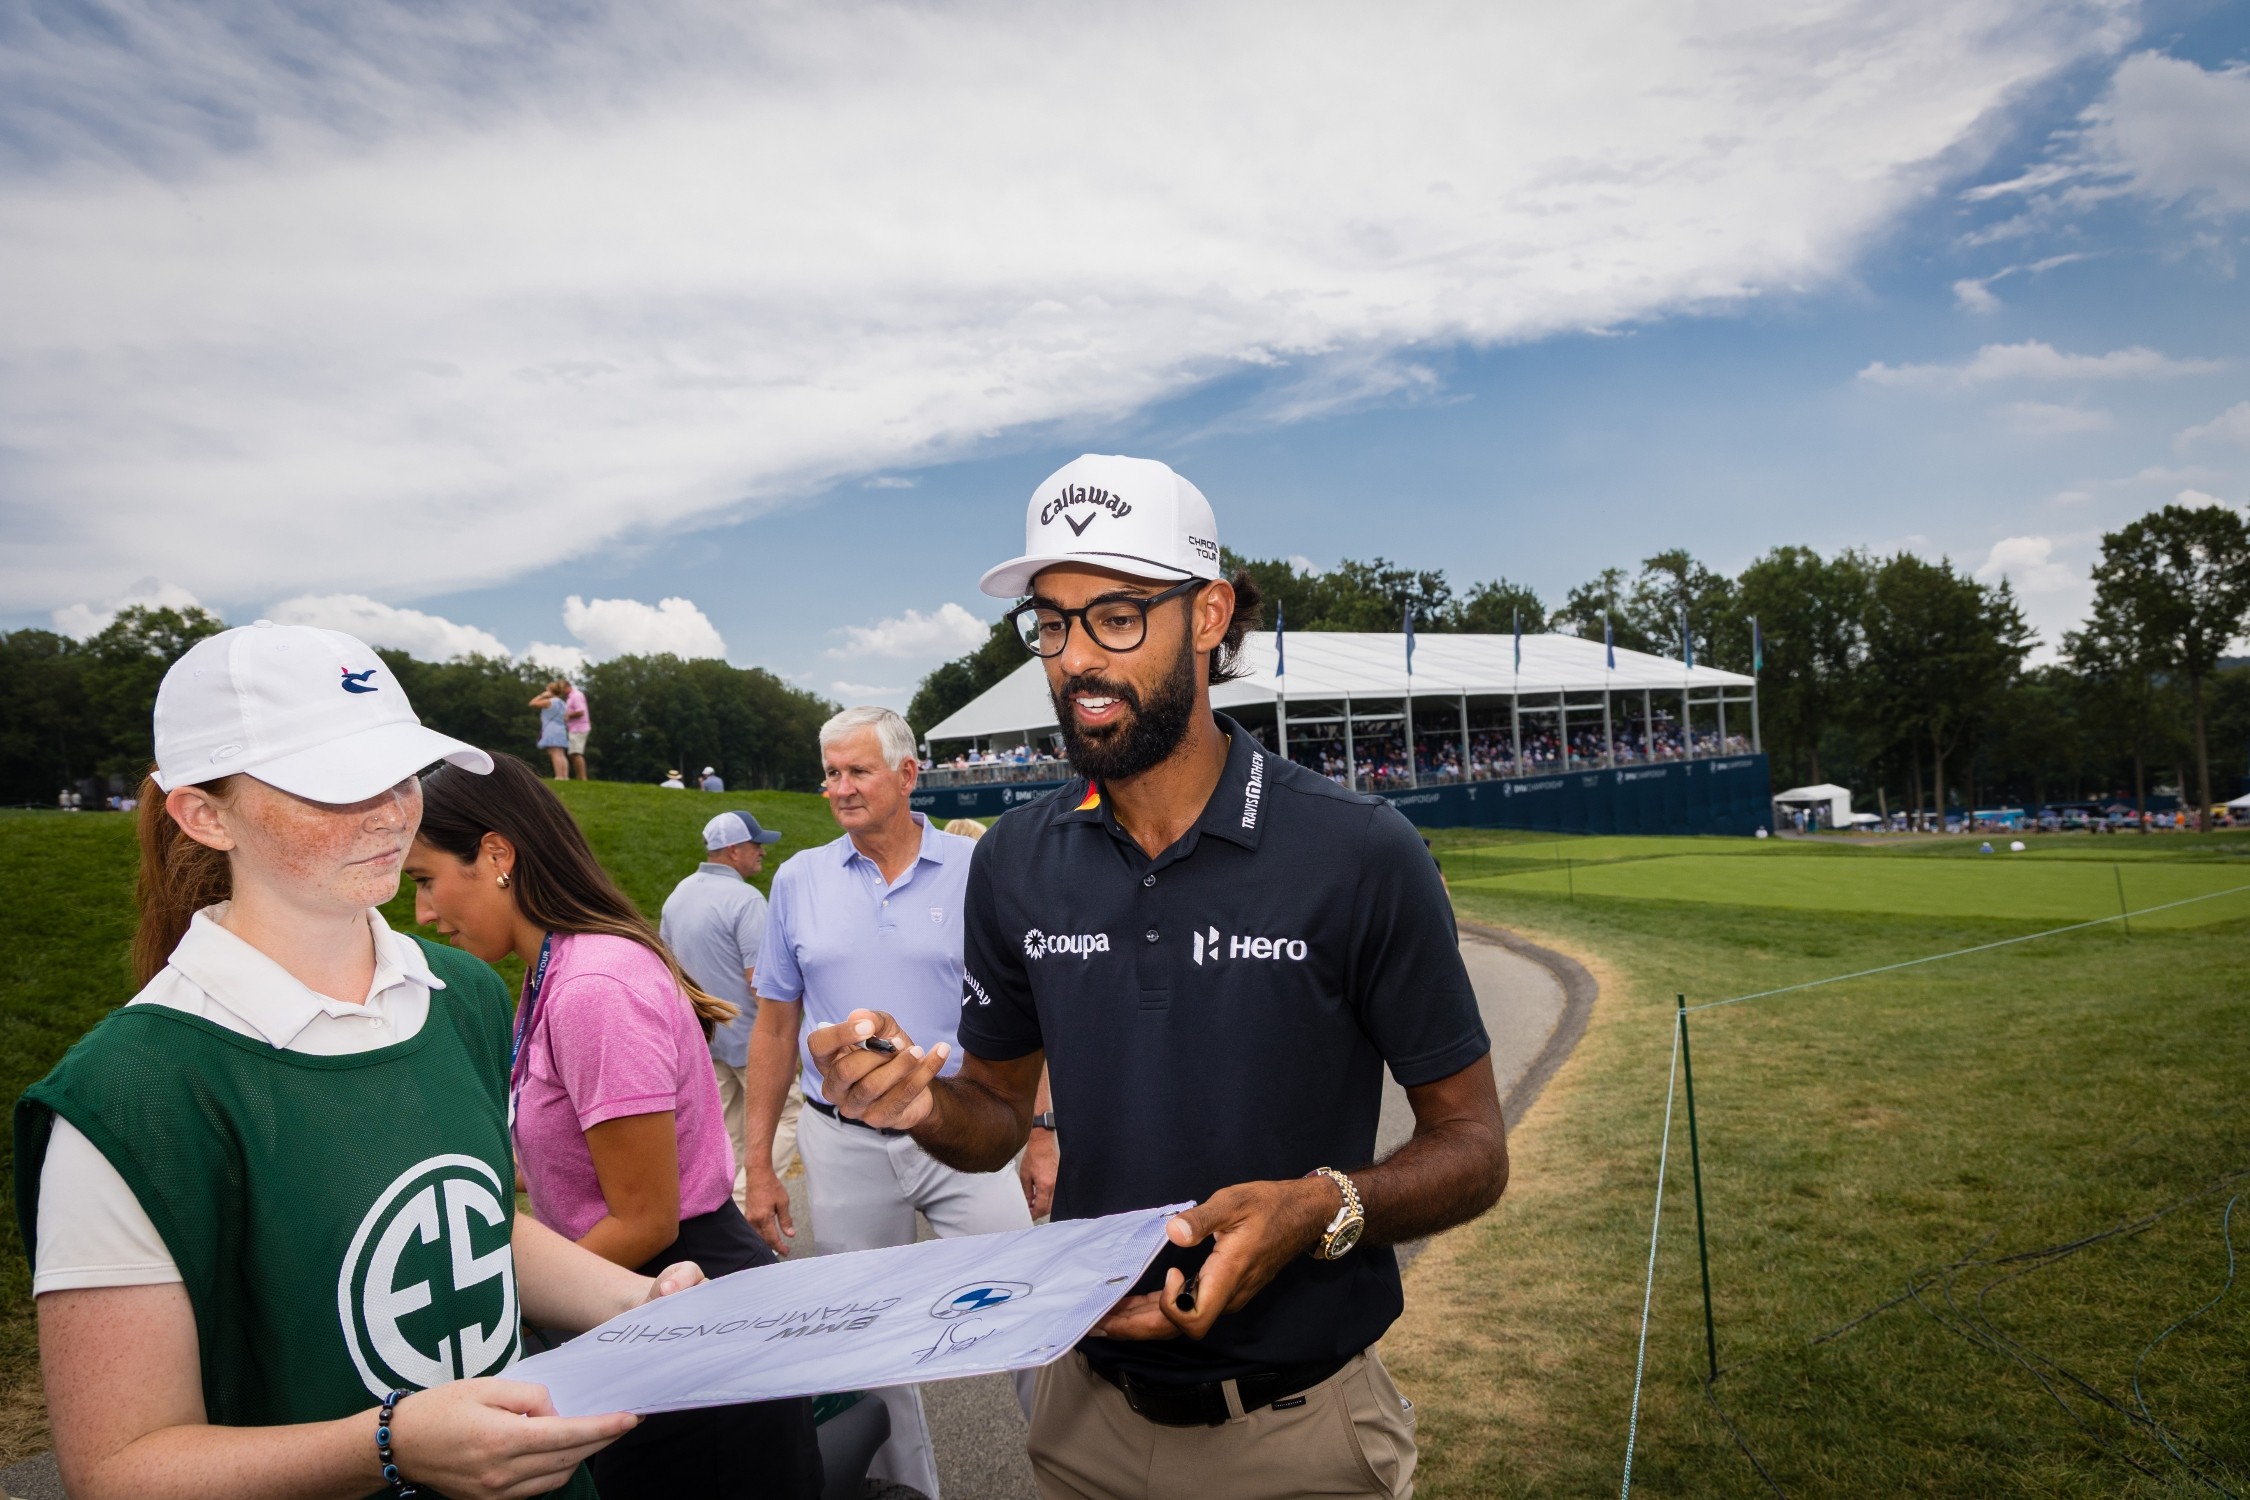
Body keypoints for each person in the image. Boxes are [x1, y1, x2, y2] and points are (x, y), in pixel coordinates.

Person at [809, 454, 1509, 1500]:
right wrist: (917, 1103)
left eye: (1117, 617)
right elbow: (996, 1118)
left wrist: (1318, 1208)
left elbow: (1475, 1147)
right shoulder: (1015, 859)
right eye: (1052, 624)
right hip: (1082, 1423)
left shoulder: (1359, 850)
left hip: (1300, 1435)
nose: (1077, 659)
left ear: (1210, 615)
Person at [19, 620, 710, 1500]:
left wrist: (634, 1303)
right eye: (334, 785)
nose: (390, 812)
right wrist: (386, 1444)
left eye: (400, 773)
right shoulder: (128, 1094)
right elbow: (119, 1469)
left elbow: (471, 1226)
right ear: (205, 815)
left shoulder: (461, 993)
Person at [410, 757, 823, 1499]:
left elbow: (643, 1218)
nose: (423, 913)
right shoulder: (557, 971)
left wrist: (502, 1315)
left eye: (425, 878)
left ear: (497, 855)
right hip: (645, 1299)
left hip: (685, 1305)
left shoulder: (592, 987)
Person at [746, 705, 1035, 1499]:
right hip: (843, 1143)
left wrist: (1040, 1130)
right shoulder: (798, 879)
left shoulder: (978, 868)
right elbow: (774, 1028)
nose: (840, 787)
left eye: (857, 770)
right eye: (830, 773)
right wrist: (759, 1165)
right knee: (868, 1348)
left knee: (1029, 1314)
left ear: (908, 775)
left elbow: (1029, 1010)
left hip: (963, 1130)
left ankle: (1079, 1477)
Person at [659, 810, 804, 1215]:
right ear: (734, 850)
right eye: (756, 845)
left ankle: (725, 1217)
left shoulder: (678, 895)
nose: (762, 852)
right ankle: (744, 1206)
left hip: (705, 1039)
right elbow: (762, 982)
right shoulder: (746, 900)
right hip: (753, 1040)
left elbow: (669, 971)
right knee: (790, 1115)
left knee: (729, 1135)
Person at [532, 679, 573, 778]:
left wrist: (542, 695)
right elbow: (567, 718)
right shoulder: (563, 704)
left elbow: (532, 703)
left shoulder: (549, 702)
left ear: (550, 691)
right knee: (561, 754)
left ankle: (559, 776)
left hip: (551, 729)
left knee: (554, 753)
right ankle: (565, 776)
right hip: (561, 729)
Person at [561, 677, 592, 780]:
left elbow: (581, 711)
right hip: (574, 728)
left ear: (567, 686)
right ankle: (580, 777)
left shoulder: (576, 695)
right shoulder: (571, 696)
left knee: (576, 753)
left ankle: (582, 777)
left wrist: (567, 715)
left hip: (579, 728)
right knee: (573, 753)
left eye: (561, 688)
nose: (561, 691)